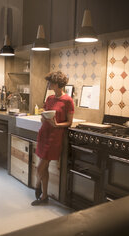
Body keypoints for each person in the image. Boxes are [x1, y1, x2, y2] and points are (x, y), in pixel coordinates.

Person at [32, 71, 74, 206]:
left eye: (50, 82)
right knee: (44, 167)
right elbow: (43, 115)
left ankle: (37, 186)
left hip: (54, 137)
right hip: (44, 133)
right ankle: (44, 197)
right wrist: (43, 118)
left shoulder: (68, 100)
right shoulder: (50, 99)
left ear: (56, 84)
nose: (48, 84)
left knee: (39, 168)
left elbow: (69, 122)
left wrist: (56, 125)